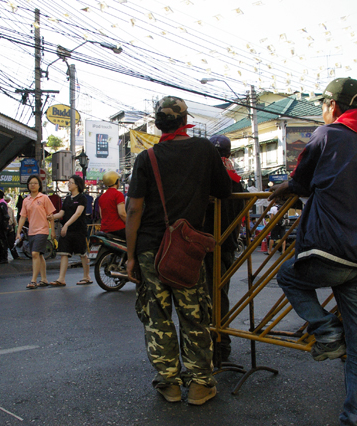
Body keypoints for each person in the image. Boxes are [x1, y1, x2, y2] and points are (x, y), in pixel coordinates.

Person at [270, 77, 357, 426]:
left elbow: (300, 182)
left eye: (323, 104)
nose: (321, 110)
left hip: (330, 251)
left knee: (288, 276)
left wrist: (282, 188)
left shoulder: (327, 134)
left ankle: (326, 330)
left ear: (334, 106)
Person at [126, 96, 231, 406]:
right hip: (185, 248)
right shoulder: (204, 150)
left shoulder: (147, 158)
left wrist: (131, 256)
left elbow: (133, 209)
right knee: (193, 314)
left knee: (157, 318)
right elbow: (224, 191)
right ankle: (200, 384)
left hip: (149, 249)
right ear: (186, 121)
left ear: (158, 123)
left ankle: (169, 383)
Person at [203, 134, 244, 363]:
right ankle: (220, 346)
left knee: (211, 298)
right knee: (220, 296)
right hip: (227, 245)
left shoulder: (209, 179)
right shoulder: (236, 180)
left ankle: (217, 348)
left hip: (210, 245)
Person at [49, 175, 92, 286]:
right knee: (64, 253)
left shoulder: (82, 198)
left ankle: (86, 276)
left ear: (77, 185)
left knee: (82, 253)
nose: (68, 185)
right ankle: (61, 278)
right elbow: (61, 213)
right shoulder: (67, 199)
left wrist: (66, 225)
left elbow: (78, 213)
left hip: (78, 229)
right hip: (67, 230)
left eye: (70, 183)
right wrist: (51, 217)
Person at [16, 175, 56, 289]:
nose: (32, 185)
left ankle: (33, 280)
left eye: (35, 183)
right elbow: (23, 217)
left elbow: (51, 216)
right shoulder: (25, 200)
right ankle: (44, 279)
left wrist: (52, 231)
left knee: (34, 254)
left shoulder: (44, 198)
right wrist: (18, 232)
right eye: (30, 183)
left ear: (39, 185)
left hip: (42, 230)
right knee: (39, 254)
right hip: (31, 231)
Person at [98, 171, 126, 239]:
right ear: (116, 181)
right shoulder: (118, 194)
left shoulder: (102, 197)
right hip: (118, 228)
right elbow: (122, 213)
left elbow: (101, 215)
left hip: (104, 229)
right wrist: (130, 223)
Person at [5, 195, 19, 260]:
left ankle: (15, 255)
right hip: (6, 227)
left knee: (11, 242)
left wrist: (16, 226)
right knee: (8, 242)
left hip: (10, 227)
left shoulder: (10, 209)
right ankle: (7, 256)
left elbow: (13, 219)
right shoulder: (4, 208)